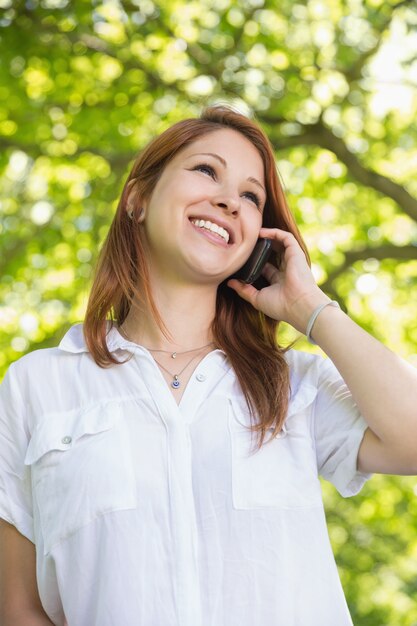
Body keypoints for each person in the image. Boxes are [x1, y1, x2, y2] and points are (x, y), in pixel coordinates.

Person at [0, 105, 416, 626]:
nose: (229, 200)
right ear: (138, 198)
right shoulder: (37, 385)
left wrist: (310, 309)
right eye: (206, 170)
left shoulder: (294, 386)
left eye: (251, 196)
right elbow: (18, 608)